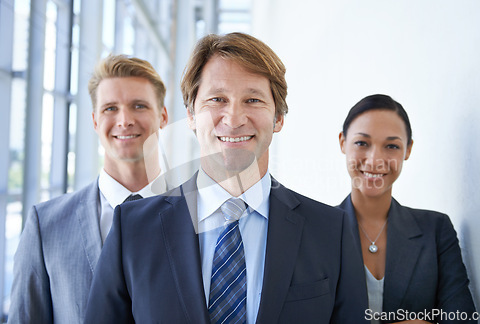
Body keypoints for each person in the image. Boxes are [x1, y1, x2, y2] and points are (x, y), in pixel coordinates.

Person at [83, 32, 367, 324]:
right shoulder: (132, 230)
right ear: (191, 115)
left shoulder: (332, 232)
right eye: (217, 99)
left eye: (253, 100)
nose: (233, 119)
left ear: (278, 118)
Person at [8, 54, 169, 324]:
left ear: (163, 116)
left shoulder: (197, 218)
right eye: (110, 109)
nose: (125, 120)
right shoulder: (45, 225)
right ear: (95, 121)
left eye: (139, 106)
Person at [338, 94, 476, 323]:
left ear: (408, 150)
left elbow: (463, 319)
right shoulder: (315, 230)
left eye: (391, 146)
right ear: (343, 142)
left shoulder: (436, 230)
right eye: (362, 143)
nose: (375, 160)